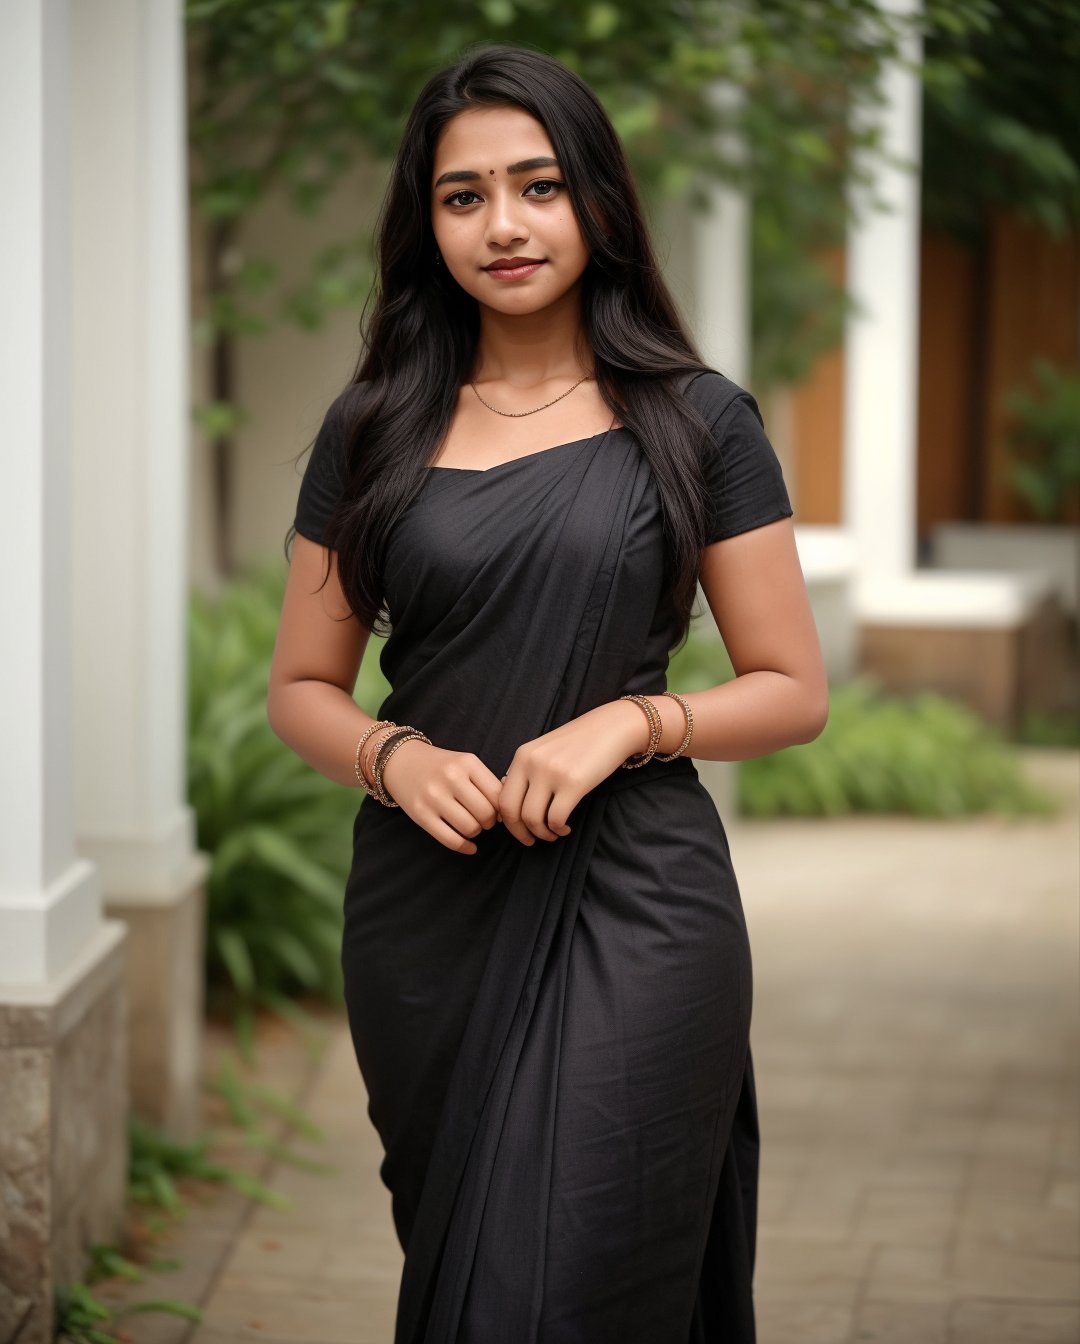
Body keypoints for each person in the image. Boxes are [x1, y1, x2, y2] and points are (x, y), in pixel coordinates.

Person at [268, 41, 827, 1344]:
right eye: (464, 196)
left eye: (538, 185)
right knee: (468, 1255)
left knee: (564, 1283)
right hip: (426, 910)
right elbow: (302, 686)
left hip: (638, 897)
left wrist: (633, 720)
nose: (504, 225)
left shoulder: (697, 422)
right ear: (426, 222)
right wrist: (395, 758)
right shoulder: (374, 430)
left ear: (598, 202)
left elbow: (793, 688)